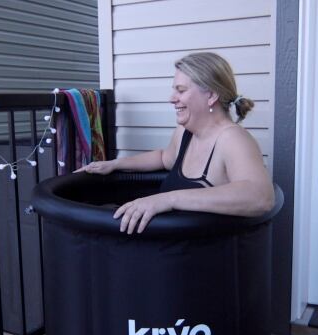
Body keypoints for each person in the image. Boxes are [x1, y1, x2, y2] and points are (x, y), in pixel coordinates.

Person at [75, 52, 275, 234]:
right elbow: (164, 158)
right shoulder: (185, 133)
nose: (172, 99)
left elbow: (261, 197)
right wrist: (114, 164)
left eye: (181, 90)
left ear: (212, 95)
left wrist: (169, 199)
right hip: (170, 253)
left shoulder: (233, 139)